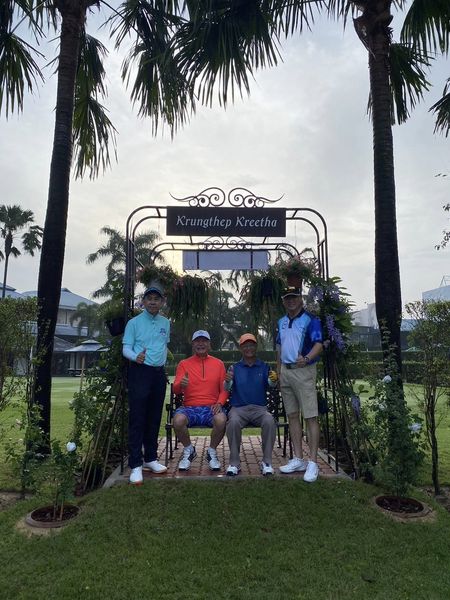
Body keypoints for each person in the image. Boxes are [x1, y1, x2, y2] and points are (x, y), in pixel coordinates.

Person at [122, 282, 170, 484]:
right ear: (143, 301)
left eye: (156, 299)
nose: (152, 302)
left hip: (158, 375)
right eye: (149, 298)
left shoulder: (165, 323)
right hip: (140, 372)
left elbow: (163, 345)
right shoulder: (133, 323)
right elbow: (126, 348)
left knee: (154, 417)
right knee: (138, 418)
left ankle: (150, 458)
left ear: (162, 302)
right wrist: (135, 358)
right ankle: (135, 464)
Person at [276, 286, 323, 483]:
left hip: (303, 371)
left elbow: (319, 344)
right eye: (287, 298)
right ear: (283, 300)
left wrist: (307, 358)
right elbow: (278, 346)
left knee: (310, 416)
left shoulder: (311, 320)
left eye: (294, 297)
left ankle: (313, 462)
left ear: (301, 299)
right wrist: (278, 371)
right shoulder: (281, 321)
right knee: (293, 416)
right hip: (286, 371)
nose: (291, 301)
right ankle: (298, 458)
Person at [172, 330, 228, 471]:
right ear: (193, 344)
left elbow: (224, 389)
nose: (201, 344)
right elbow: (176, 390)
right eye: (197, 341)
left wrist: (220, 403)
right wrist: (181, 385)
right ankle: (189, 450)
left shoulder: (219, 364)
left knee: (221, 420)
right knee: (178, 421)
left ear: (209, 344)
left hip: (211, 407)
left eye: (204, 341)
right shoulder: (184, 364)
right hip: (190, 407)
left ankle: (212, 451)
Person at [225, 333, 278, 477]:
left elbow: (271, 384)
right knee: (233, 422)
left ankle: (267, 462)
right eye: (245, 345)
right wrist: (228, 380)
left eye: (251, 345)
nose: (249, 348)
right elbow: (226, 388)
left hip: (259, 409)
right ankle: (234, 463)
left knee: (269, 421)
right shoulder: (234, 368)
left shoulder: (264, 366)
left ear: (256, 347)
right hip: (238, 409)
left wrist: (273, 380)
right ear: (241, 348)